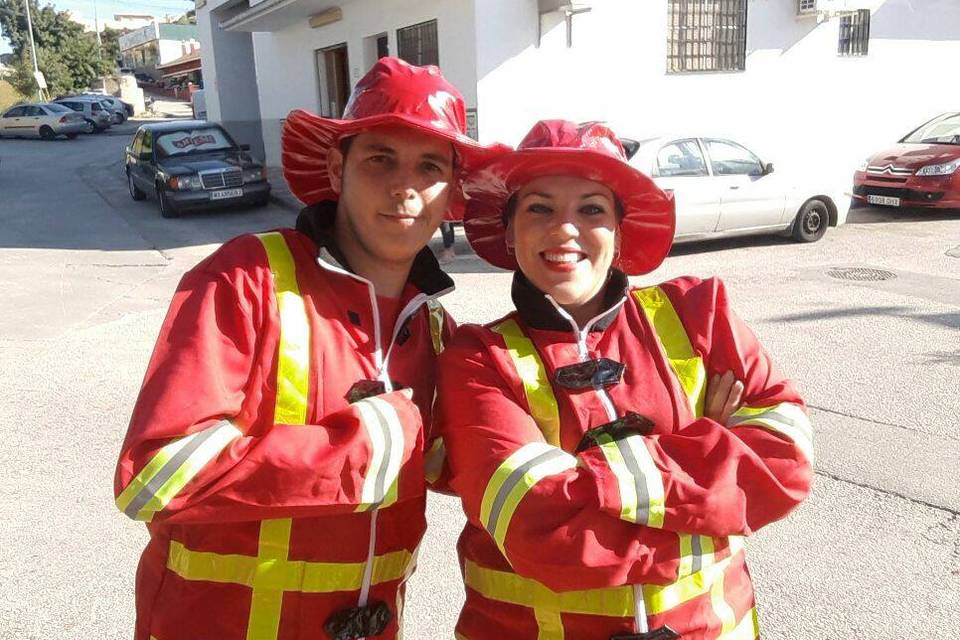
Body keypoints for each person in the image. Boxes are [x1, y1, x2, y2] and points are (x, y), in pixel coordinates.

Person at [113, 57, 506, 640]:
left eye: (429, 167)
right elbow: (154, 477)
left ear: (450, 193)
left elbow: (465, 466)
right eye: (380, 159)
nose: (404, 187)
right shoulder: (248, 278)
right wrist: (357, 452)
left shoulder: (436, 327)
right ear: (336, 166)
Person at [437, 120, 813, 639]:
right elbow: (538, 530)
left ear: (619, 230)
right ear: (509, 231)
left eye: (592, 209)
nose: (565, 229)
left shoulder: (700, 314)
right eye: (540, 208)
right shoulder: (478, 357)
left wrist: (586, 479)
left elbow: (785, 463)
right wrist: (713, 462)